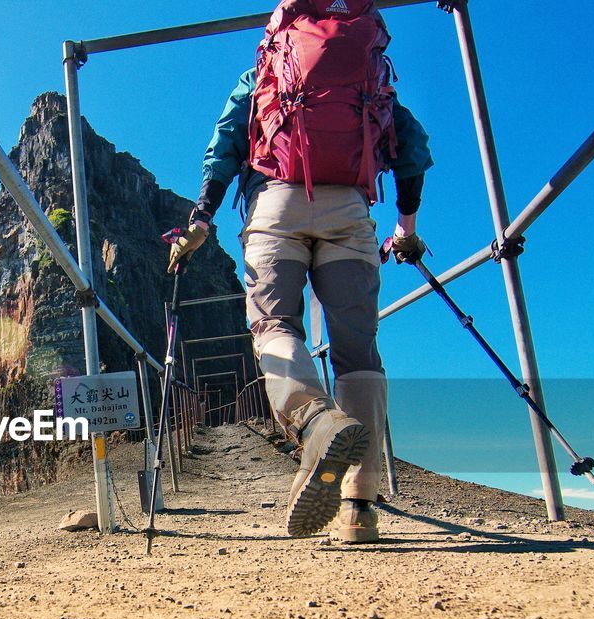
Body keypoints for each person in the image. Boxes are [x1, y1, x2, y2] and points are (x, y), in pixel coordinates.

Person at [168, 0, 432, 542]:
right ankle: (360, 507)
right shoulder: (372, 77)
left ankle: (316, 422)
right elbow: (412, 149)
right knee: (357, 350)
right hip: (352, 214)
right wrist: (404, 230)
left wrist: (200, 221)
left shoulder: (262, 74)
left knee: (275, 327)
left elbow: (222, 151)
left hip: (276, 209)